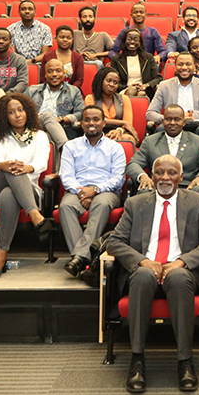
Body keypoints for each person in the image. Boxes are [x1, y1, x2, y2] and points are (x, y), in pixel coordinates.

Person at [104, 154, 199, 394]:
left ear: (181, 177)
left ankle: (185, 362)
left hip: (181, 272)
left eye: (171, 173)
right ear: (152, 176)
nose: (165, 177)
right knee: (143, 276)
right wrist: (143, 261)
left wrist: (182, 262)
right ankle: (137, 361)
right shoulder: (136, 204)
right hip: (144, 270)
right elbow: (114, 242)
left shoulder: (197, 202)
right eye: (159, 172)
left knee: (178, 278)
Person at [0, 94, 54, 279]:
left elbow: (41, 162)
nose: (17, 115)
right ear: (4, 116)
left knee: (9, 194)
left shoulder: (40, 136)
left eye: (20, 110)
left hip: (26, 190)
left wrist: (27, 167)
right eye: (11, 112)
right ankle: (36, 216)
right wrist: (6, 165)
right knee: (10, 170)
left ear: (27, 111)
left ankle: (0, 256)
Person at [59, 105, 126, 284]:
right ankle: (84, 260)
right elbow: (66, 176)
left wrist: (95, 190)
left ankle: (78, 258)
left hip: (106, 191)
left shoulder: (115, 148)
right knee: (65, 206)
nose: (91, 123)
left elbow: (118, 179)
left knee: (101, 204)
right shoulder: (70, 146)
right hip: (77, 190)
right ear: (81, 123)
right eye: (87, 119)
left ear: (104, 123)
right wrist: (83, 192)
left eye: (96, 119)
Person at [127, 104, 199, 199]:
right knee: (145, 190)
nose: (172, 123)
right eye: (168, 119)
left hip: (187, 187)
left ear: (184, 122)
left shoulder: (198, 142)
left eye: (177, 119)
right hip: (158, 187)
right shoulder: (150, 141)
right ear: (162, 122)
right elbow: (133, 164)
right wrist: (143, 176)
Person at [147, 52, 199, 142]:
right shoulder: (164, 86)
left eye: (188, 64)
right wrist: (173, 118)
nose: (184, 68)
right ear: (175, 68)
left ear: (195, 67)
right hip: (173, 126)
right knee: (162, 129)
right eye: (180, 64)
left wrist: (192, 115)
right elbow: (150, 113)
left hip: (197, 126)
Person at [25, 59, 85, 149]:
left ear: (64, 74)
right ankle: (65, 149)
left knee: (48, 137)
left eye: (58, 71)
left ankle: (60, 154)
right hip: (35, 126)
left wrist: (61, 119)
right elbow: (21, 109)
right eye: (50, 71)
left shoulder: (73, 91)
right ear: (45, 75)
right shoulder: (32, 90)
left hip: (62, 129)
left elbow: (81, 113)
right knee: (48, 117)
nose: (54, 74)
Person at [84, 66, 139, 145]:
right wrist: (122, 122)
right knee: (106, 140)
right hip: (98, 132)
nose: (112, 84)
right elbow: (95, 120)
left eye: (115, 82)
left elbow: (128, 123)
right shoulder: (91, 98)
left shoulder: (124, 99)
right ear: (100, 81)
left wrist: (119, 130)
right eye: (108, 81)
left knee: (126, 138)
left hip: (120, 132)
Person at [109, 28, 162, 98]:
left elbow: (158, 78)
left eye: (136, 40)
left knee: (141, 94)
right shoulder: (116, 59)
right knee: (133, 90)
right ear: (124, 41)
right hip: (124, 90)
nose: (132, 42)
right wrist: (129, 87)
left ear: (140, 43)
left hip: (144, 90)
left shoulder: (148, 58)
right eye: (129, 39)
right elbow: (115, 82)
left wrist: (146, 85)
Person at [40, 25, 85, 92]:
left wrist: (68, 91)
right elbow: (43, 79)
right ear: (56, 38)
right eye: (62, 37)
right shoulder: (47, 56)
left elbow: (79, 80)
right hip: (50, 92)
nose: (65, 40)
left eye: (68, 38)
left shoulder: (78, 57)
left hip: (72, 92)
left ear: (72, 40)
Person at [7, 0, 52, 64]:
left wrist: (31, 61)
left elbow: (45, 54)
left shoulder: (45, 29)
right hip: (17, 64)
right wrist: (21, 62)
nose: (27, 11)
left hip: (38, 64)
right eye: (23, 9)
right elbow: (12, 53)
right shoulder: (11, 29)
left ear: (35, 12)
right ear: (19, 12)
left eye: (30, 9)